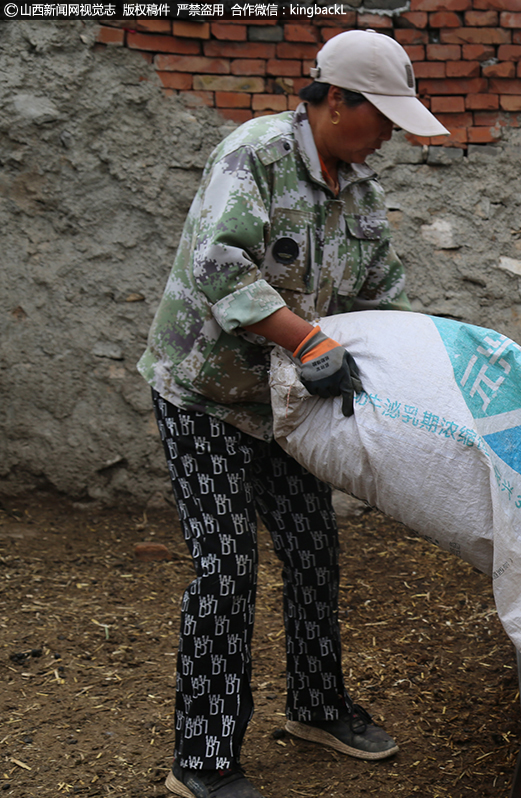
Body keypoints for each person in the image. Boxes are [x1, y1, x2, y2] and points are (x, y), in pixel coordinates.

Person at [137, 29, 449, 798]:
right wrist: (308, 339)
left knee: (313, 550)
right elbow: (218, 265)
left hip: (285, 404)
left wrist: (429, 370)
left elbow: (383, 298)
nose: (388, 137)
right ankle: (203, 758)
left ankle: (316, 704)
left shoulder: (363, 195)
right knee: (226, 567)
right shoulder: (256, 155)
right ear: (335, 101)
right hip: (205, 396)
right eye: (381, 117)